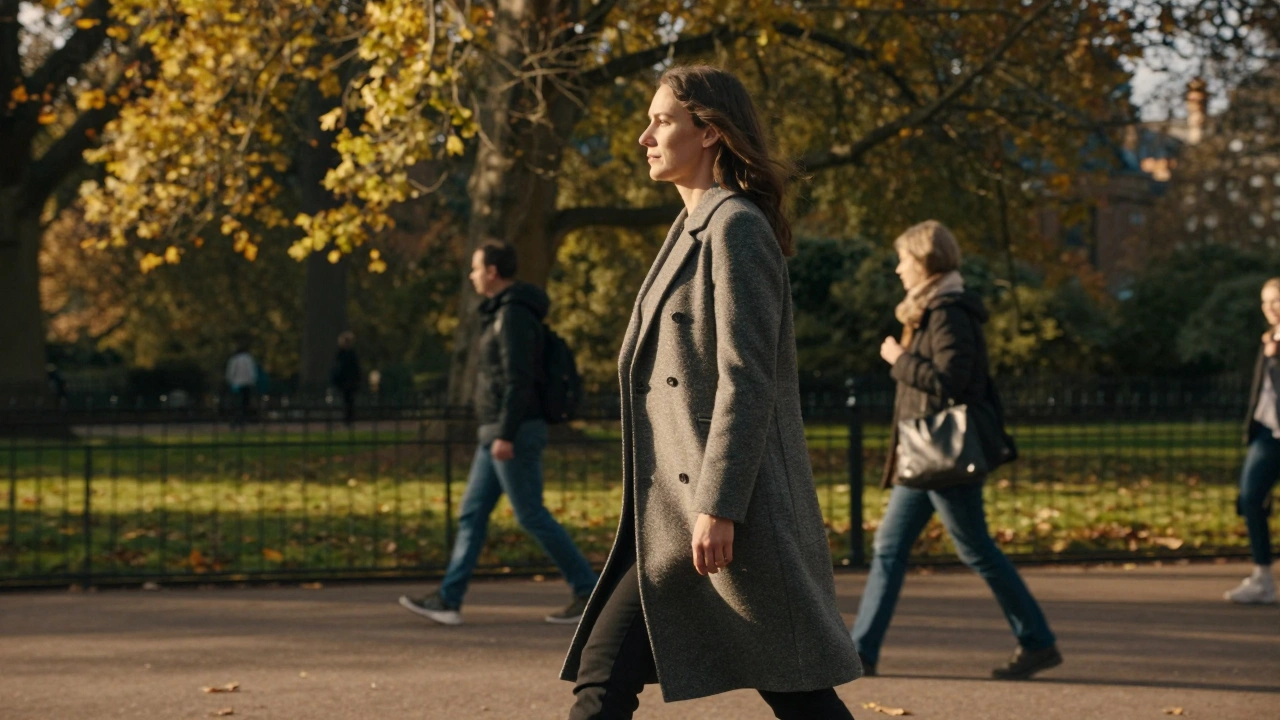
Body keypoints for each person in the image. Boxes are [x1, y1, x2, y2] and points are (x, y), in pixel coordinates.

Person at [559, 65, 860, 720]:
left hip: (726, 513)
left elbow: (746, 375)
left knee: (797, 688)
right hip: (675, 511)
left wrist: (719, 505)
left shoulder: (735, 228)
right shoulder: (692, 229)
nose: (645, 136)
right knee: (603, 676)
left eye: (662, 121)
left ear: (711, 133)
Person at [849, 220, 1061, 680]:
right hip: (927, 458)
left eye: (904, 259)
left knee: (976, 550)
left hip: (943, 456)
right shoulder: (929, 310)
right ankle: (859, 652)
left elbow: (951, 382)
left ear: (925, 261)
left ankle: (1038, 641)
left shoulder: (948, 312)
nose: (899, 268)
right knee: (890, 546)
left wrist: (899, 361)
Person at [399, 240, 598, 625]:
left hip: (513, 433)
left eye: (476, 268)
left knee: (531, 515)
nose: (472, 275)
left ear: (492, 272)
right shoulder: (501, 314)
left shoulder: (513, 316)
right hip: (497, 432)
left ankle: (589, 591)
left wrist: (505, 433)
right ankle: (448, 599)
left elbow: (518, 381)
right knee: (472, 513)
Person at [1225, 277, 1280, 604]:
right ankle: (1262, 577)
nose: (1270, 308)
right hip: (1268, 435)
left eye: (1276, 300)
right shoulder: (1269, 340)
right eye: (1265, 301)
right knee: (1250, 499)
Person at [330, 331, 361, 426]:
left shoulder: (348, 354)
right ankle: (347, 419)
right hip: (344, 381)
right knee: (346, 401)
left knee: (349, 401)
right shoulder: (342, 353)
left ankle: (349, 419)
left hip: (349, 381)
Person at [225, 342, 256, 429]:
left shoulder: (234, 359)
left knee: (236, 404)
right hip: (246, 384)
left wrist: (230, 381)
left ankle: (234, 421)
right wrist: (252, 382)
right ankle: (243, 421)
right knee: (245, 404)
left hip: (236, 384)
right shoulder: (249, 359)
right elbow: (251, 372)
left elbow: (231, 372)